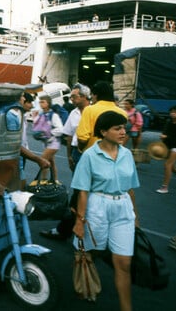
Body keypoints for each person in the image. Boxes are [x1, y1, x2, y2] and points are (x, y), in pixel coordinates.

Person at [72, 111, 140, 311]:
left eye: (124, 128)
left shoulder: (127, 154)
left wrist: (135, 215)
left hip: (123, 210)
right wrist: (79, 221)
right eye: (117, 128)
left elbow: (130, 188)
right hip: (97, 208)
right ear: (103, 131)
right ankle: (87, 280)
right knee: (92, 251)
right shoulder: (89, 156)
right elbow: (82, 192)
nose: (123, 132)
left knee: (123, 263)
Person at [40, 83, 91, 240]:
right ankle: (68, 228)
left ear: (84, 97)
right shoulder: (74, 113)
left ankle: (67, 229)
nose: (71, 99)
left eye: (74, 96)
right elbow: (69, 136)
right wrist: (69, 156)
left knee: (83, 193)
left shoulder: (94, 111)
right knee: (78, 190)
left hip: (92, 155)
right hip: (77, 154)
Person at [76, 81, 127, 152]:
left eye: (92, 95)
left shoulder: (89, 110)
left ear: (95, 96)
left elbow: (82, 139)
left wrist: (81, 150)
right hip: (114, 155)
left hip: (93, 155)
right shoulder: (123, 113)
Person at [31, 95, 63, 182]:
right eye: (40, 102)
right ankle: (55, 180)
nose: (41, 104)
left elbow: (60, 129)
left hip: (54, 143)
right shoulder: (41, 114)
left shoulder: (54, 115)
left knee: (43, 161)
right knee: (51, 162)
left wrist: (49, 133)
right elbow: (37, 127)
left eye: (43, 102)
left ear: (48, 103)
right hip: (46, 143)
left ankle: (43, 180)